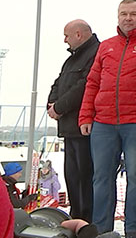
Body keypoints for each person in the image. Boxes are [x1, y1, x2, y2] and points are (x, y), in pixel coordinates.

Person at [78, 0, 136, 238]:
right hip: (103, 122)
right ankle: (101, 229)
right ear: (117, 17)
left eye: (133, 14)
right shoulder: (106, 46)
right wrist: (86, 115)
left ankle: (132, 230)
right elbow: (93, 82)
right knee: (101, 178)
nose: (128, 18)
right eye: (123, 14)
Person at [46, 19, 99, 221]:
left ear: (78, 34)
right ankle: (76, 215)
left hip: (84, 128)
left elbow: (83, 87)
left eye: (66, 36)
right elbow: (58, 83)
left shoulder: (95, 53)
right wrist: (52, 104)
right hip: (69, 129)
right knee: (72, 176)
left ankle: (86, 219)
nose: (65, 41)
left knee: (86, 177)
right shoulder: (71, 59)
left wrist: (59, 107)